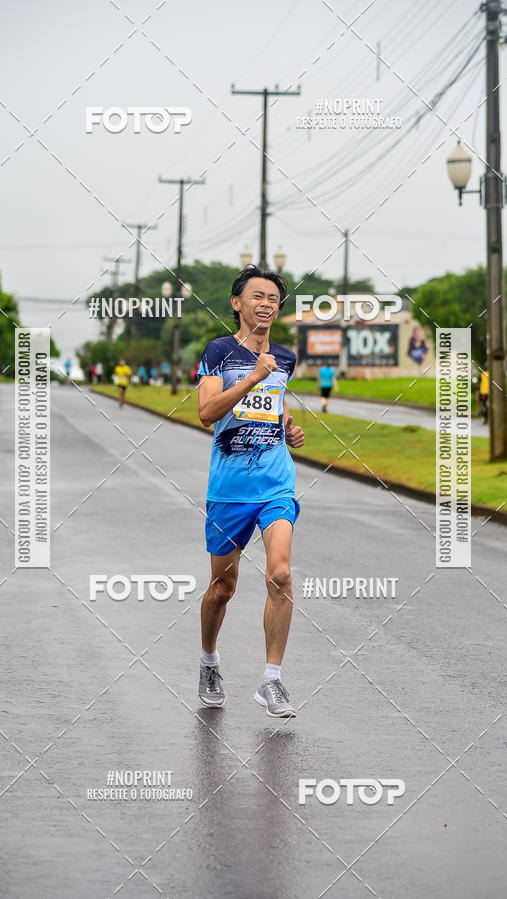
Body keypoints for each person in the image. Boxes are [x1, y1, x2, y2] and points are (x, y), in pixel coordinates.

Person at [197, 264, 305, 718]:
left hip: (276, 483)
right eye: (257, 296)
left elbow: (272, 410)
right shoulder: (218, 352)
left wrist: (286, 430)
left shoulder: (286, 357)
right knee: (223, 588)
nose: (266, 304)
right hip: (230, 490)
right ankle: (209, 662)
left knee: (280, 574)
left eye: (273, 298)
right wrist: (251, 378)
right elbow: (207, 412)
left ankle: (271, 680)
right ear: (237, 303)